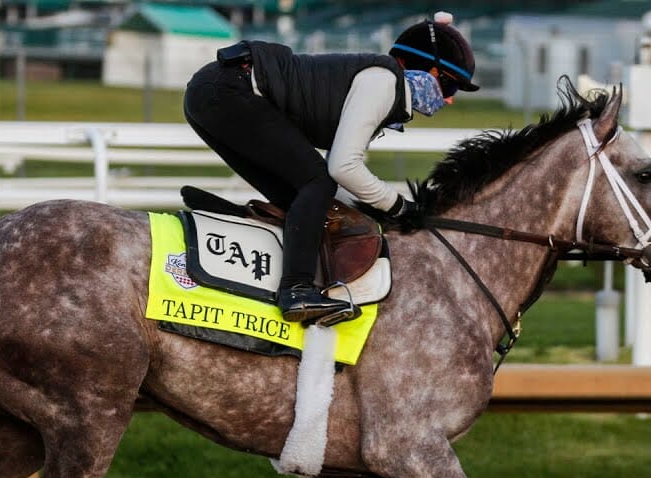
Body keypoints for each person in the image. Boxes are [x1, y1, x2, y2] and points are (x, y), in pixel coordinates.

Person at [183, 12, 479, 324]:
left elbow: (341, 168)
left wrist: (376, 204)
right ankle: (296, 290)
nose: (448, 101)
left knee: (302, 195)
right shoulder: (384, 81)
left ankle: (233, 226)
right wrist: (399, 207)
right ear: (421, 67)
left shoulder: (380, 81)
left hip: (213, 90)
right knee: (317, 184)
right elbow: (342, 167)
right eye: (450, 87)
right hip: (229, 90)